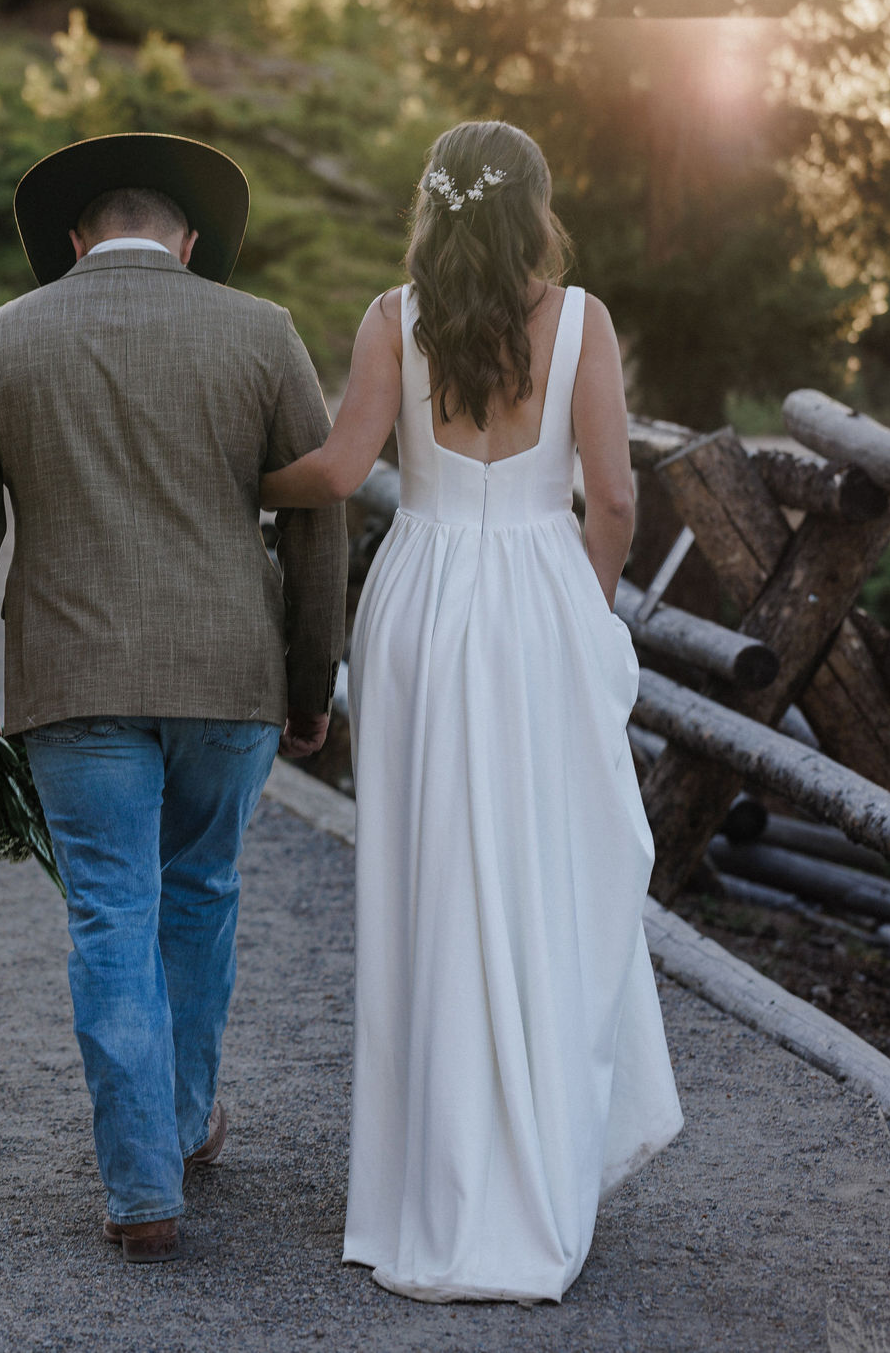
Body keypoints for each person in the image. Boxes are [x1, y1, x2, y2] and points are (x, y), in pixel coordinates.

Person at [260, 119, 683, 1303]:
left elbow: (340, 473)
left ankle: (427, 1182)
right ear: (533, 206)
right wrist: (580, 619)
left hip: (420, 605)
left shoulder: (391, 318)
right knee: (548, 870)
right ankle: (536, 1145)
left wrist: (237, 476)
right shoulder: (583, 320)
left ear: (432, 206)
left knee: (428, 877)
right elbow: (610, 498)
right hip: (539, 601)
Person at [0, 133, 349, 1264]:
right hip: (229, 675)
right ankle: (187, 1118)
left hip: (74, 683)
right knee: (199, 888)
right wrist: (311, 680)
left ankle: (141, 1184)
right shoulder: (261, 332)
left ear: (73, 238)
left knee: (110, 910)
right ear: (187, 241)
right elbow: (317, 515)